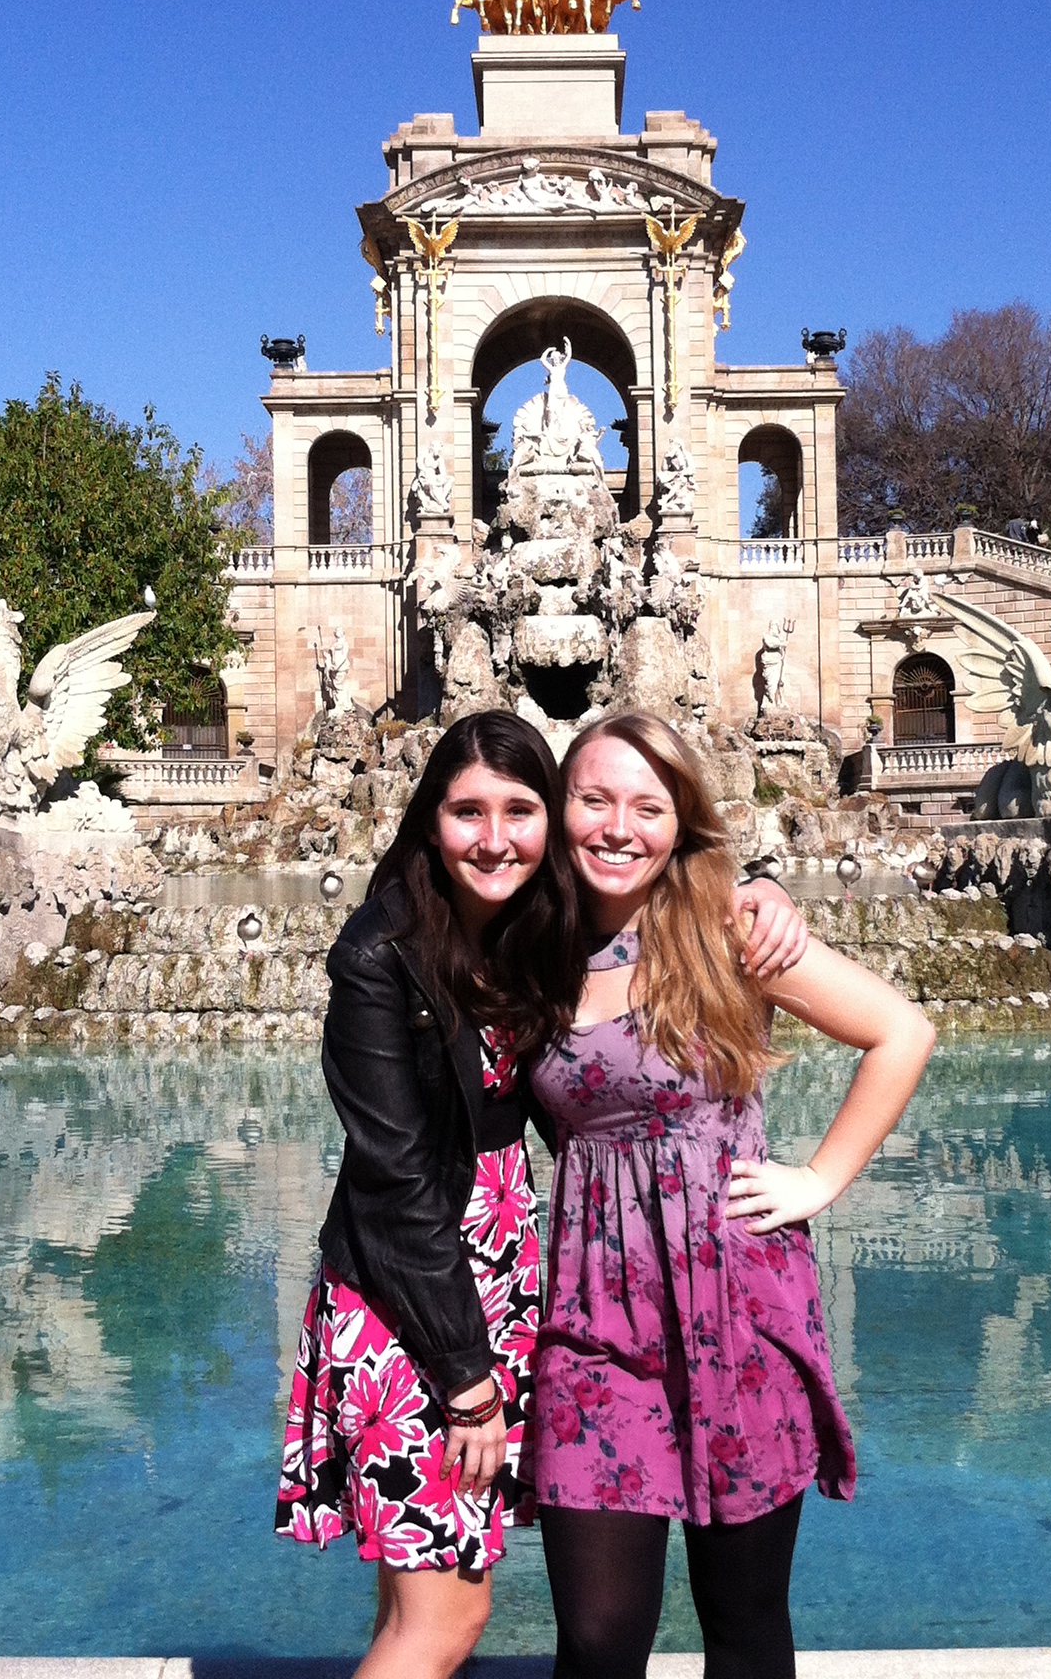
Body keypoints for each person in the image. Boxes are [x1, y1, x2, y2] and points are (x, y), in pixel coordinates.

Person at [276, 710, 807, 1679]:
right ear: (427, 818)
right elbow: (397, 1182)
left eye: (518, 809)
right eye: (466, 810)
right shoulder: (379, 954)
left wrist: (757, 884)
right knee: (437, 1624)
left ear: (547, 823)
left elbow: (655, 857)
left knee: (423, 1608)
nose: (494, 836)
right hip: (416, 1303)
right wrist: (466, 1376)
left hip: (505, 1288)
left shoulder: (525, 926)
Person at [527, 712, 936, 1679]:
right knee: (593, 1640)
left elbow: (900, 1032)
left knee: (744, 1629)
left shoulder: (729, 930)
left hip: (736, 1308)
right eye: (593, 800)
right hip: (593, 1322)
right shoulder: (528, 949)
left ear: (681, 824)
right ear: (560, 812)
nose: (618, 827)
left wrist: (820, 1179)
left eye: (647, 806)